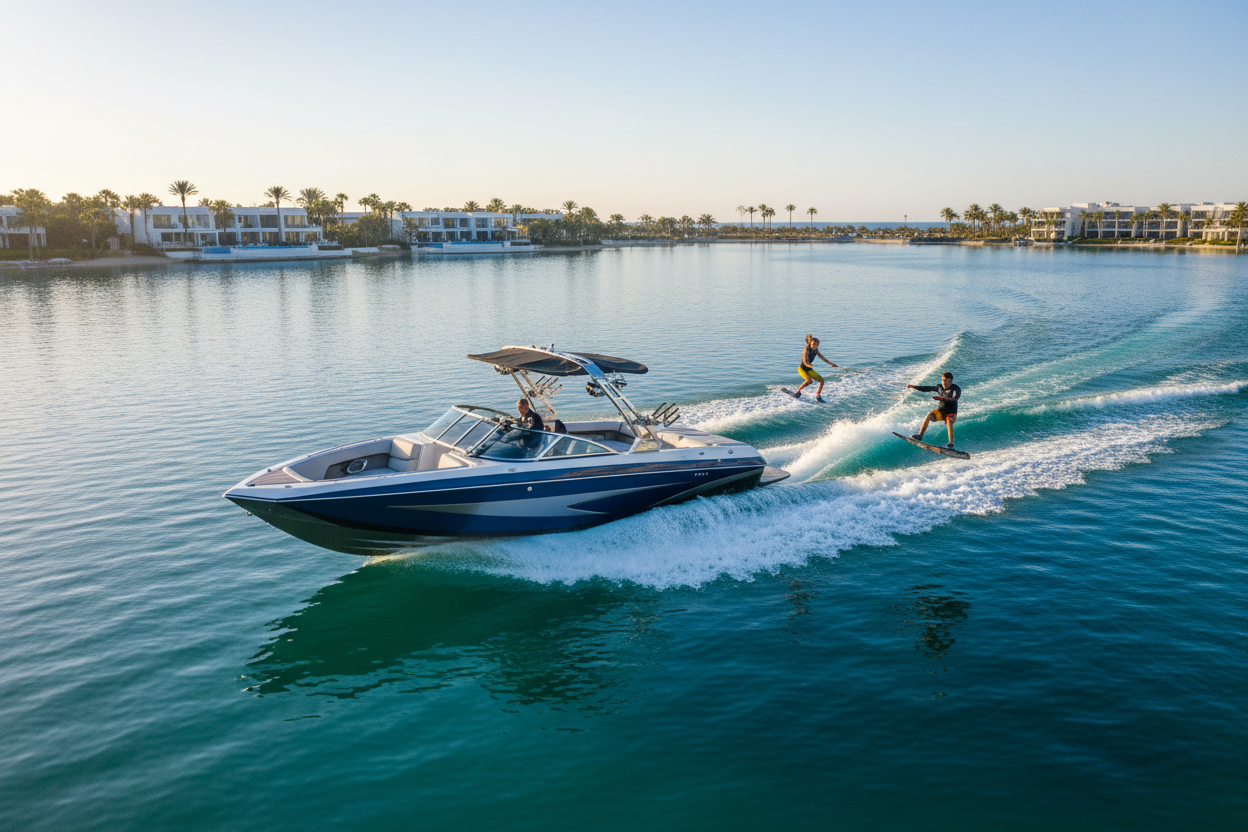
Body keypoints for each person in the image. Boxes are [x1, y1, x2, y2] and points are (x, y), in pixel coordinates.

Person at [906, 372, 962, 448]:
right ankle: (920, 435)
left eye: (946, 381)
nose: (944, 382)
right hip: (941, 411)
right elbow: (927, 388)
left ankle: (950, 444)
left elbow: (955, 398)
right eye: (943, 380)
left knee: (949, 422)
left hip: (951, 412)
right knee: (929, 415)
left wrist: (943, 398)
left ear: (950, 381)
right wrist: (914, 386)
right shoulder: (939, 387)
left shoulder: (956, 388)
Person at [794, 334, 838, 402]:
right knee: (809, 380)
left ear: (818, 345)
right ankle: (797, 392)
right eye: (813, 344)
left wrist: (831, 364)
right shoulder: (806, 349)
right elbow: (805, 361)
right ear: (810, 343)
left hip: (809, 370)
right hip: (802, 369)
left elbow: (822, 357)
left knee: (822, 381)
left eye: (816, 344)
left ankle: (818, 395)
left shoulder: (816, 350)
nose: (814, 346)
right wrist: (808, 365)